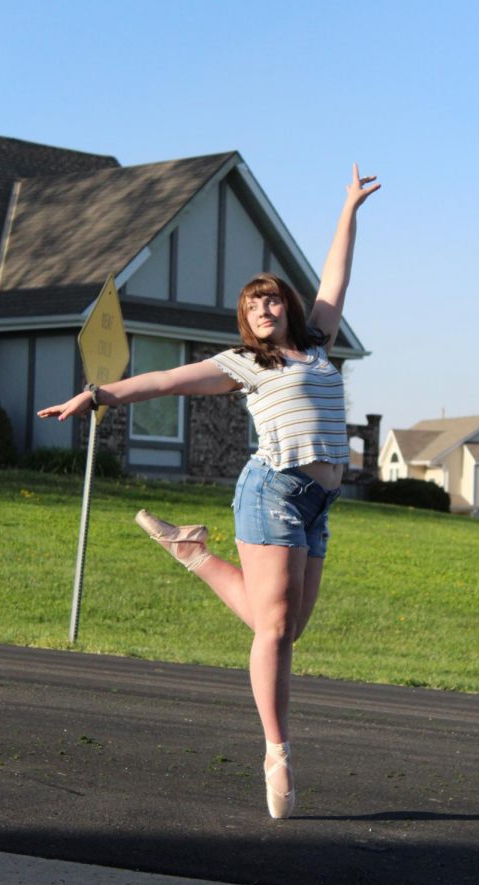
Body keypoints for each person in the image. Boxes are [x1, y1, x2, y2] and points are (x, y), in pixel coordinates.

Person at [38, 164, 380, 818]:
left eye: (273, 299)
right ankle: (276, 753)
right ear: (246, 321)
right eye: (254, 304)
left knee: (284, 628)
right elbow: (165, 380)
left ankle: (192, 552)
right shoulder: (244, 364)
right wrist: (97, 394)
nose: (265, 308)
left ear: (289, 307)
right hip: (272, 491)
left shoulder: (319, 344)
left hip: (318, 503)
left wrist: (349, 209)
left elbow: (336, 278)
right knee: (274, 626)